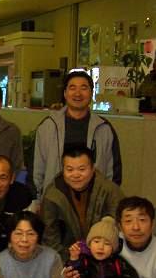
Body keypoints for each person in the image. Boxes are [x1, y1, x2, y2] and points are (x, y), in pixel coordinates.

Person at [42, 145, 123, 278]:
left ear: (93, 168)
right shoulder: (53, 194)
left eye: (82, 169)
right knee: (60, 275)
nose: (75, 175)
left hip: (105, 254)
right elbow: (50, 236)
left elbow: (120, 229)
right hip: (70, 254)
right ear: (63, 169)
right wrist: (68, 264)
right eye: (69, 169)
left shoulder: (110, 190)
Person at [32, 70, 122, 200]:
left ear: (91, 93)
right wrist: (38, 200)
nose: (78, 93)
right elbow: (36, 168)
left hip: (95, 202)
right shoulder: (48, 126)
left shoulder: (104, 128)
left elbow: (114, 173)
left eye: (83, 88)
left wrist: (107, 201)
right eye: (72, 88)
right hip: (55, 200)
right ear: (65, 93)